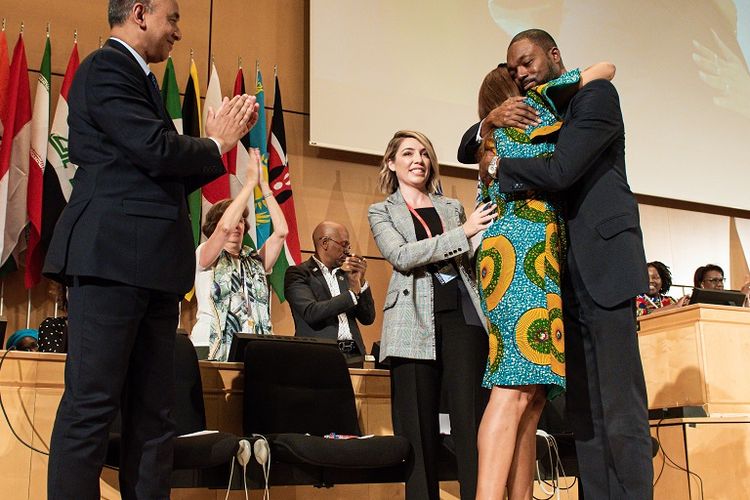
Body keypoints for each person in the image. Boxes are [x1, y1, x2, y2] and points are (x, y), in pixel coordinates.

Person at [42, 1, 259, 498]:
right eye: (174, 18)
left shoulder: (138, 77)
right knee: (92, 408)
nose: (179, 32)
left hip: (154, 270)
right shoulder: (107, 66)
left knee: (154, 418)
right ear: (139, 12)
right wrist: (215, 142)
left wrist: (211, 147)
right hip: (112, 263)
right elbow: (155, 149)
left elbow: (159, 168)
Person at [467, 29, 653, 499]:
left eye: (527, 62)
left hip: (600, 266)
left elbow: (562, 171)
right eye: (513, 71)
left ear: (554, 57)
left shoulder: (593, 99)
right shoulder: (524, 117)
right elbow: (469, 138)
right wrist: (489, 122)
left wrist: (495, 169)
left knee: (619, 408)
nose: (522, 74)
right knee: (584, 413)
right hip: (546, 271)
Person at [368, 130, 496, 500]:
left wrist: (477, 235)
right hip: (411, 318)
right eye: (408, 153)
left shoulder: (452, 206)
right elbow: (403, 256)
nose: (418, 160)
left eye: (424, 153)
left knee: (471, 424)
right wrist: (465, 232)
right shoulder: (381, 211)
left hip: (462, 314)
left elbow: (466, 257)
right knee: (418, 430)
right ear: (391, 163)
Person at [191, 148, 287, 361]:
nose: (236, 226)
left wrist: (264, 187)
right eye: (232, 221)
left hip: (251, 345)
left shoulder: (254, 259)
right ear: (215, 226)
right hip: (210, 343)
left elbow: (281, 232)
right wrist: (249, 185)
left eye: (241, 221)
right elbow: (224, 229)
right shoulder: (205, 254)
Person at [284, 221, 375, 367]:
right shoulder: (299, 273)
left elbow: (368, 318)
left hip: (353, 354)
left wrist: (361, 282)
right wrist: (352, 294)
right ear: (325, 243)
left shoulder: (347, 276)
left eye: (348, 246)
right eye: (343, 244)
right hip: (318, 355)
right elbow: (311, 312)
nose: (347, 250)